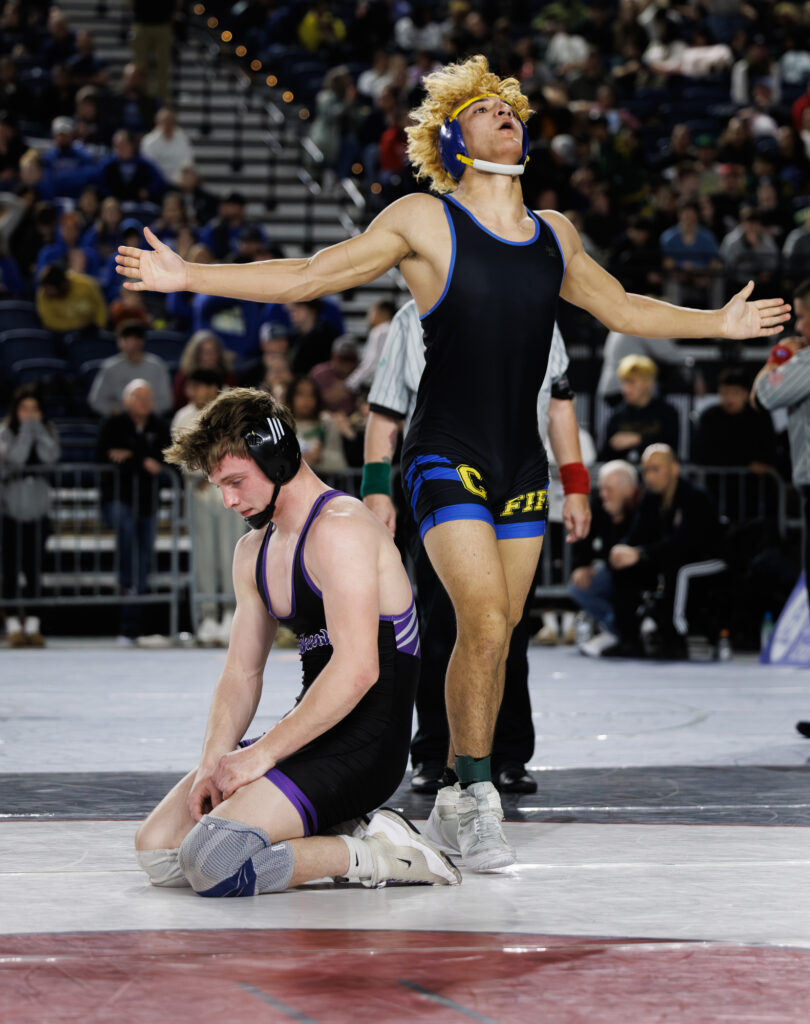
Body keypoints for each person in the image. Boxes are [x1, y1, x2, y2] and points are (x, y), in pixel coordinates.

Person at [116, 54, 789, 871]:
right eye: (485, 107)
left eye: (512, 104)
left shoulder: (556, 233)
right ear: (453, 137)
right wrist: (188, 273)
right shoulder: (423, 222)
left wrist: (716, 325)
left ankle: (454, 799)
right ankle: (472, 794)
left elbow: (620, 307)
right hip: (445, 450)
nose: (507, 111)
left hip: (520, 461)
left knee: (498, 636)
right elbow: (309, 275)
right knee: (483, 616)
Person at [133, 387, 460, 896]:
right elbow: (242, 673)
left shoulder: (342, 530)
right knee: (157, 851)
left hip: (365, 747)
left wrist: (259, 756)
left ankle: (378, 854)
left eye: (237, 482)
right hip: (309, 735)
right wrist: (212, 763)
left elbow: (357, 671)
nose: (229, 501)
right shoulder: (254, 551)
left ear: (279, 456)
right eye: (220, 486)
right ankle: (333, 824)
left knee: (212, 865)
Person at [363, 300, 591, 795]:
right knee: (441, 619)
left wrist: (575, 484)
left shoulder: (538, 310)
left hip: (517, 473)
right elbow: (385, 408)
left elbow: (558, 403)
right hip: (445, 473)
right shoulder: (413, 315)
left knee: (508, 624)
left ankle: (505, 752)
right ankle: (434, 752)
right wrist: (377, 487)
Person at [606, 444, 724, 659]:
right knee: (624, 569)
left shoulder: (695, 496)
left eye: (655, 469)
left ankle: (676, 637)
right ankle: (629, 640)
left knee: (677, 569)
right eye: (646, 470)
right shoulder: (650, 499)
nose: (649, 476)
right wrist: (622, 550)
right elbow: (637, 535)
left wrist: (640, 553)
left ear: (674, 469)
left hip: (706, 560)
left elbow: (685, 544)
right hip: (665, 556)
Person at [171, 368, 243, 647]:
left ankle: (231, 614)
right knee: (204, 555)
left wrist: (216, 474)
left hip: (230, 492)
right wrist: (202, 474)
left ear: (215, 388)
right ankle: (208, 616)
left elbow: (237, 450)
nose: (196, 392)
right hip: (199, 494)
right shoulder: (182, 416)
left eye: (201, 386)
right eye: (192, 387)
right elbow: (180, 455)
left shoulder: (230, 413)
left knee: (231, 551)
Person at [96, 379, 171, 644]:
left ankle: (132, 627)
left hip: (148, 503)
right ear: (127, 400)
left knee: (144, 560)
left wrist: (130, 457)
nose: (146, 402)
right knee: (125, 525)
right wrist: (141, 460)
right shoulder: (113, 425)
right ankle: (124, 579)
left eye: (149, 397)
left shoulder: (159, 427)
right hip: (116, 500)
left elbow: (165, 462)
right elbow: (103, 458)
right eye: (139, 397)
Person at [754, 279, 810, 616]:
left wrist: (777, 360)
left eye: (803, 317)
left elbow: (763, 395)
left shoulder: (805, 361)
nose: (799, 327)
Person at [0, 386, 61, 648]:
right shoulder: (5, 432)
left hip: (37, 509)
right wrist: (27, 431)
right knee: (10, 569)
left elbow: (50, 457)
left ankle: (34, 625)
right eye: (24, 409)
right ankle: (13, 625)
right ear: (16, 411)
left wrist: (38, 431)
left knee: (35, 569)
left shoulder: (48, 431)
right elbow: (16, 458)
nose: (29, 413)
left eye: (34, 409)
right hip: (9, 509)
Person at [569, 460, 641, 656]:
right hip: (614, 568)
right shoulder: (599, 503)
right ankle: (616, 629)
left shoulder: (645, 503)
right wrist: (581, 565)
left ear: (627, 490)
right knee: (581, 585)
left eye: (609, 490)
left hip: (644, 569)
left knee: (625, 578)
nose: (603, 495)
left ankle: (635, 628)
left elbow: (643, 542)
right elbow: (583, 536)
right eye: (602, 489)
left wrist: (636, 553)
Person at [599, 355, 680, 463]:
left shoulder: (667, 413)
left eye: (631, 382)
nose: (625, 389)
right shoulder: (616, 416)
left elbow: (671, 450)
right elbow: (603, 457)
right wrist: (612, 446)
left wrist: (637, 440)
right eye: (624, 382)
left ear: (648, 383)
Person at [88, 319, 172, 417]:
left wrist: (142, 410)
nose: (125, 344)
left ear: (141, 341)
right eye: (123, 340)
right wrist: (119, 411)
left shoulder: (157, 366)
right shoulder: (110, 367)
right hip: (119, 421)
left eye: (130, 339)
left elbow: (166, 402)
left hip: (150, 420)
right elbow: (96, 400)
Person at [35, 262, 108, 334]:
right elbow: (50, 322)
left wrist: (99, 327)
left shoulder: (85, 284)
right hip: (61, 334)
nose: (46, 292)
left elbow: (101, 309)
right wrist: (77, 326)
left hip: (92, 332)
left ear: (62, 285)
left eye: (50, 289)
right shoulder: (43, 294)